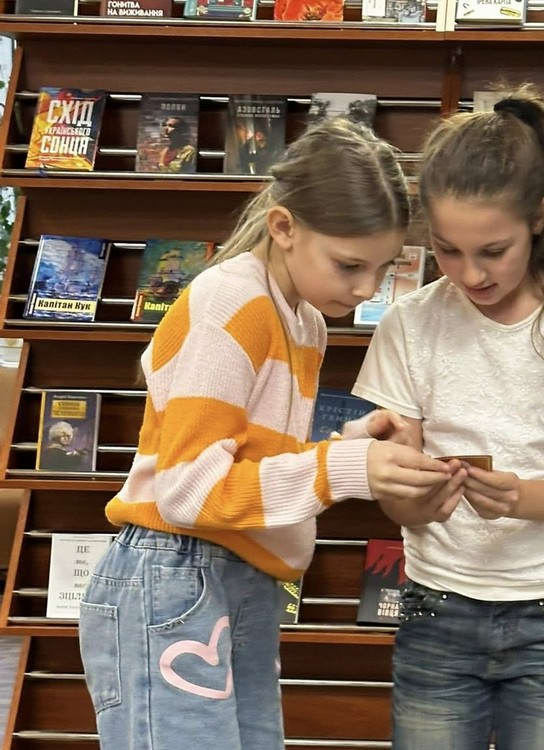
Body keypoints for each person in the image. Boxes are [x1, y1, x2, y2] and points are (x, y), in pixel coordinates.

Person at [77, 119, 461, 750]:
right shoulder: (233, 301)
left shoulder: (305, 320)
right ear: (284, 227)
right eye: (349, 265)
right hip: (177, 571)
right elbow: (189, 491)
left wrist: (350, 446)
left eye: (382, 267)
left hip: (238, 576)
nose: (367, 289)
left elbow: (250, 461)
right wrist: (344, 469)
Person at [351, 86, 544, 749]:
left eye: (493, 251)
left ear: (539, 217)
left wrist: (519, 499)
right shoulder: (409, 324)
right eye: (447, 250)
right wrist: (409, 491)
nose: (470, 274)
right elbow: (400, 505)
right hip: (438, 605)